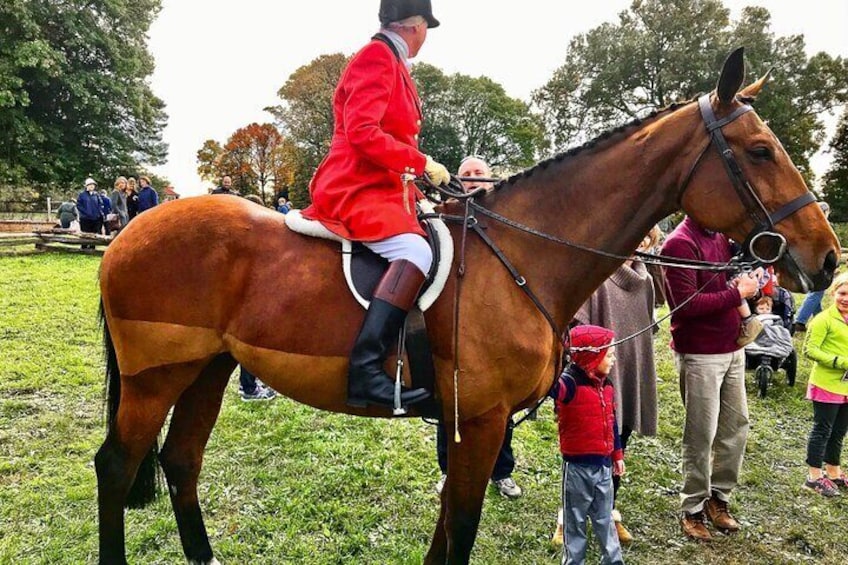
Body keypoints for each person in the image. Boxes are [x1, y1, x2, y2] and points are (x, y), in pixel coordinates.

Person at [301, 0, 449, 409]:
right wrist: (421, 163)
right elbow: (363, 132)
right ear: (417, 26)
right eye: (426, 31)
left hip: (383, 186)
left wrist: (420, 178)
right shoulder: (376, 58)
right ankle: (365, 369)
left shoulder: (394, 63)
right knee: (415, 250)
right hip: (354, 183)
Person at [661, 215, 759, 541]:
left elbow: (727, 283)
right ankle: (693, 508)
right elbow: (686, 305)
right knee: (701, 434)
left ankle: (720, 498)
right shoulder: (679, 243)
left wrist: (746, 286)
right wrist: (737, 294)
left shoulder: (718, 234)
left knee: (736, 428)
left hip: (733, 348)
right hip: (701, 354)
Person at [563, 226, 661, 545]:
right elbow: (575, 330)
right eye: (635, 235)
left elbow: (648, 332)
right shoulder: (597, 276)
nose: (639, 243)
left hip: (629, 374)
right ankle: (568, 517)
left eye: (645, 239)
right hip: (595, 383)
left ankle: (609, 512)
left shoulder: (646, 281)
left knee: (618, 447)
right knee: (584, 452)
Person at [434, 156, 522, 499]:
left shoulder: (509, 215)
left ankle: (501, 472)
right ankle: (448, 472)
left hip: (501, 321)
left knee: (500, 406)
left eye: (478, 174)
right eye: (467, 175)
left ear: (491, 179)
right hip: (460, 319)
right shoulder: (447, 212)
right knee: (451, 400)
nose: (472, 179)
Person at [549, 325, 625, 565]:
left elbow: (612, 423)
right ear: (591, 357)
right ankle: (574, 561)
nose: (613, 360)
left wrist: (617, 455)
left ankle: (613, 560)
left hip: (603, 467)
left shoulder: (608, 385)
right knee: (575, 519)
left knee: (605, 518)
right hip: (577, 469)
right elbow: (549, 386)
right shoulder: (569, 384)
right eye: (609, 355)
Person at [802, 272, 848, 497]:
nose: (846, 299)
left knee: (839, 431)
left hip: (846, 388)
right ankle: (814, 477)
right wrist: (839, 362)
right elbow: (809, 350)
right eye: (842, 293)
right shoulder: (824, 319)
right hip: (827, 384)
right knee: (823, 430)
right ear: (833, 293)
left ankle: (834, 472)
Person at [793, 202, 831, 334]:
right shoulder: (822, 228)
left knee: (816, 293)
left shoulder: (806, 227)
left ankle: (819, 319)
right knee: (817, 292)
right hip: (818, 265)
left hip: (806, 264)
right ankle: (799, 321)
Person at [77, 177, 104, 247]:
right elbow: (79, 205)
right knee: (85, 233)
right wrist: (86, 213)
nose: (92, 186)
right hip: (85, 219)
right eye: (90, 185)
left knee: (94, 233)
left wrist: (99, 213)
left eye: (93, 185)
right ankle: (84, 247)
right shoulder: (82, 195)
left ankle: (92, 247)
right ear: (86, 186)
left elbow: (100, 204)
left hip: (95, 218)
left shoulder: (96, 195)